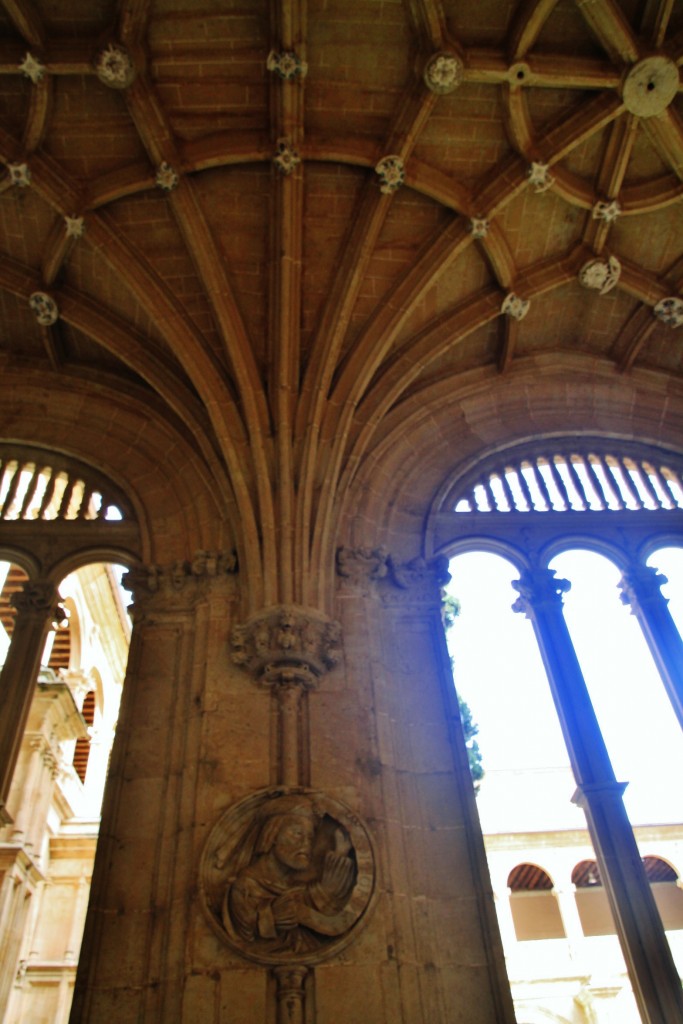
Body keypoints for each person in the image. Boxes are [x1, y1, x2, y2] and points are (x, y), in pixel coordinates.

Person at [224, 795, 355, 955]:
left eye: (310, 837)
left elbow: (319, 903)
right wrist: (269, 918)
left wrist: (340, 855)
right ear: (271, 835)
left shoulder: (297, 890)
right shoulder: (246, 887)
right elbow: (246, 934)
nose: (306, 844)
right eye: (297, 833)